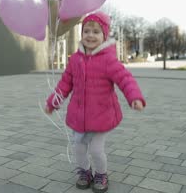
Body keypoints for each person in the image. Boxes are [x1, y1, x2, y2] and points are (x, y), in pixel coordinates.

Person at [45, 11, 146, 193]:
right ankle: (85, 172)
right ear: (81, 34)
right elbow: (64, 84)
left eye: (96, 32)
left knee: (96, 150)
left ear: (104, 36)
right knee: (78, 147)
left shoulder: (108, 60)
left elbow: (125, 79)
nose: (90, 35)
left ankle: (101, 173)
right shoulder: (74, 60)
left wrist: (135, 97)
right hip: (79, 115)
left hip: (102, 115)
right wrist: (53, 102)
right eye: (87, 31)